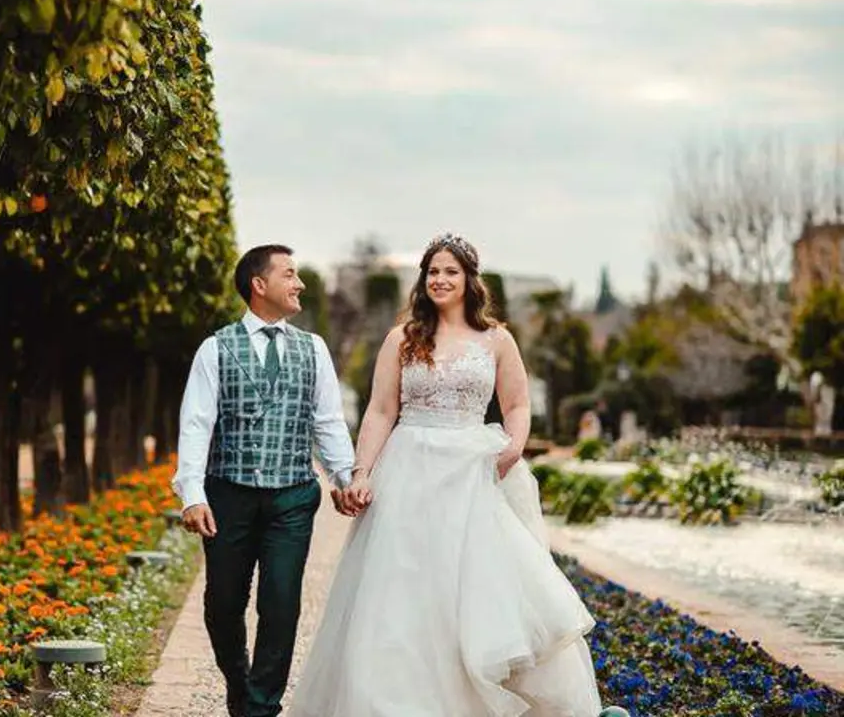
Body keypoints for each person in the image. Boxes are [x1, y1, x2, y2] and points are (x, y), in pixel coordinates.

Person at [289, 233, 606, 716]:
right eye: (432, 271)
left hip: (471, 471)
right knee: (400, 590)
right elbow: (379, 411)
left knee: (472, 592)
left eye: (450, 271)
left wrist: (514, 446)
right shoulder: (402, 338)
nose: (439, 279)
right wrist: (361, 471)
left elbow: (517, 404)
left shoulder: (497, 340)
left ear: (469, 280)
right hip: (409, 467)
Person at [172, 244, 356, 717]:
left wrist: (344, 477)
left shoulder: (313, 348)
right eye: (290, 274)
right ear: (259, 284)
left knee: (281, 603)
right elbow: (197, 425)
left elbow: (328, 422)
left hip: (293, 496)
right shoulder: (215, 348)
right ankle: (240, 687)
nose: (300, 284)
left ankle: (262, 707)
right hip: (228, 494)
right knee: (223, 604)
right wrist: (192, 494)